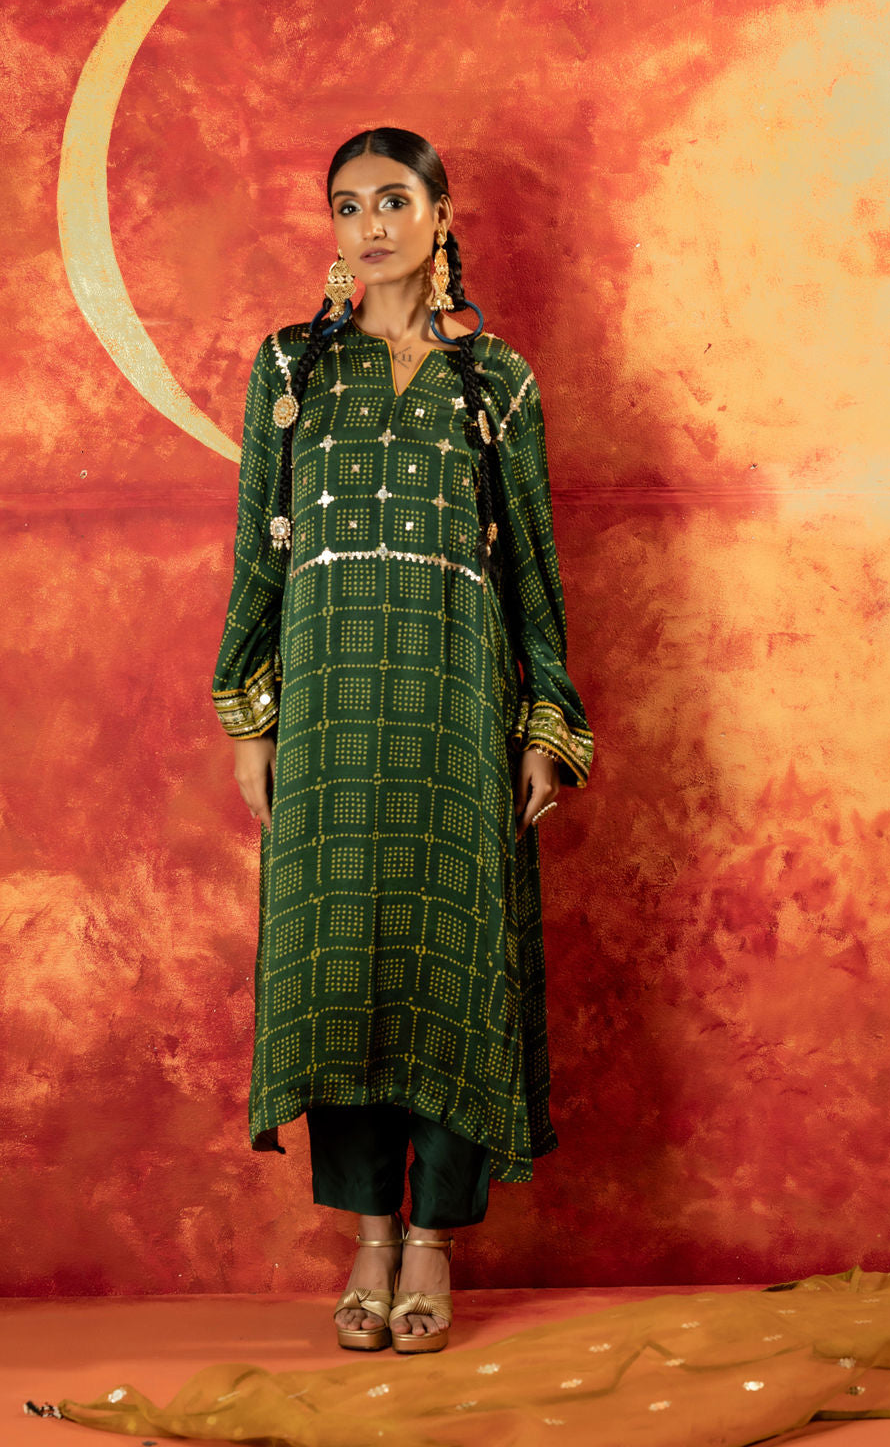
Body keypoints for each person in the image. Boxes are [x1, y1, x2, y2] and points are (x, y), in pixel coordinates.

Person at [210, 127, 595, 1355]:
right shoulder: (291, 368)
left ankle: (432, 1241)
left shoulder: (497, 383)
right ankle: (369, 1238)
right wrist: (246, 713)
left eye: (392, 200)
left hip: (454, 711)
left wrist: (544, 723)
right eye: (346, 205)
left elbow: (531, 567)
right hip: (328, 717)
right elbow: (257, 551)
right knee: (342, 969)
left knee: (450, 962)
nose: (368, 225)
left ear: (440, 214)